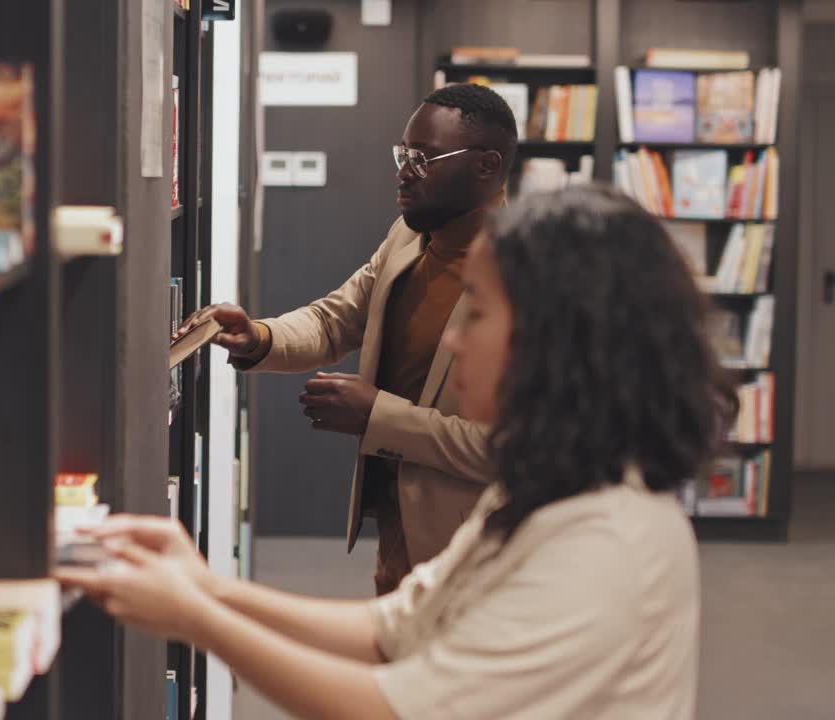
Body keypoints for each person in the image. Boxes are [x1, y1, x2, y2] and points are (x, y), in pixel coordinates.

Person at [61, 186, 736, 719]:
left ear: (557, 340)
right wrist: (209, 589)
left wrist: (198, 616)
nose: (453, 342)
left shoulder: (607, 545)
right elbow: (394, 630)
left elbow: (397, 709)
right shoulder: (545, 488)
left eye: (476, 313)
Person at [176, 83, 519, 593]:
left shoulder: (523, 274)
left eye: (424, 159)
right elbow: (335, 319)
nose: (404, 171)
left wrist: (378, 417)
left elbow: (510, 450)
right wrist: (258, 336)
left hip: (475, 550)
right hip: (397, 525)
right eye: (404, 154)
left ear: (487, 166)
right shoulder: (408, 237)